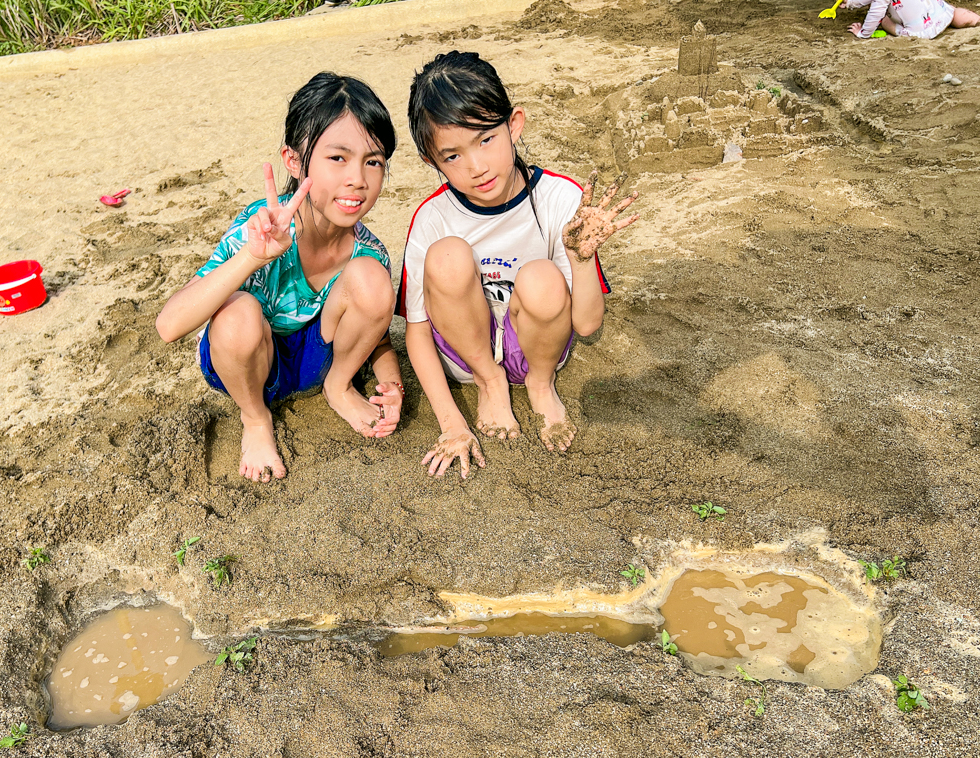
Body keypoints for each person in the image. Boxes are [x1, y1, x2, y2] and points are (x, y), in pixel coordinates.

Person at [399, 51, 639, 478]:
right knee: (448, 256)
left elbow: (585, 325)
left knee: (543, 276)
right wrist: (452, 422)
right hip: (464, 355)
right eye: (452, 156)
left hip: (535, 347)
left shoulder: (560, 199)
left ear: (514, 125)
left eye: (486, 139)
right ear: (430, 162)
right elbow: (416, 331)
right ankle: (492, 383)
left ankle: (540, 386)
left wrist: (582, 261)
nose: (476, 166)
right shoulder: (432, 218)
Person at [155, 73, 404, 483]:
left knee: (373, 281)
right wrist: (252, 257)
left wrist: (390, 383)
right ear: (293, 161)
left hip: (317, 362)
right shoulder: (260, 228)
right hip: (247, 363)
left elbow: (376, 335)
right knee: (237, 313)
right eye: (337, 158)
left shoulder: (368, 251)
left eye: (373, 161)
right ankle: (255, 418)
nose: (358, 179)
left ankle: (339, 388)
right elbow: (169, 326)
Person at [843, 0, 979, 38]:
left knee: (883, 19)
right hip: (938, 11)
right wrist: (850, 3)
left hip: (918, 30)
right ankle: (976, 20)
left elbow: (875, 13)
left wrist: (864, 33)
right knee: (952, 11)